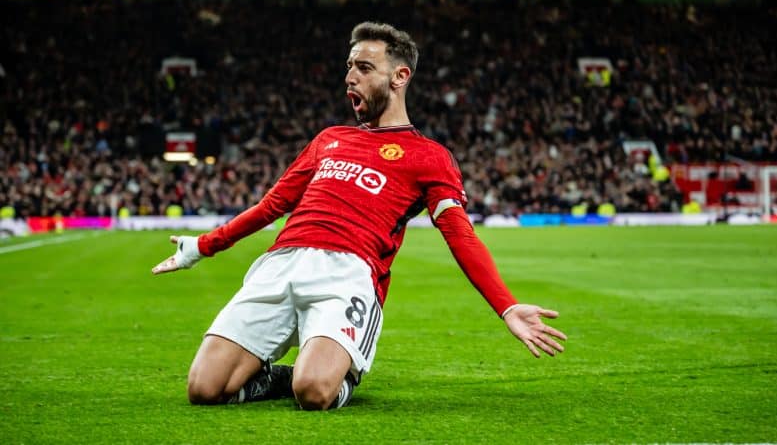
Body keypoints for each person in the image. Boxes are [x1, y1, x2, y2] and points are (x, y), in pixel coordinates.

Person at [152, 22, 567, 411]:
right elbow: (271, 207)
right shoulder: (329, 139)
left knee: (313, 393)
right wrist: (201, 247)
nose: (350, 76)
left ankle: (332, 372)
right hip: (282, 263)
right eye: (349, 66)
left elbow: (461, 236)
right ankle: (278, 377)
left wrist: (506, 307)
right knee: (204, 389)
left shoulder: (430, 158)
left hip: (348, 274)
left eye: (364, 67)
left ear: (399, 77)